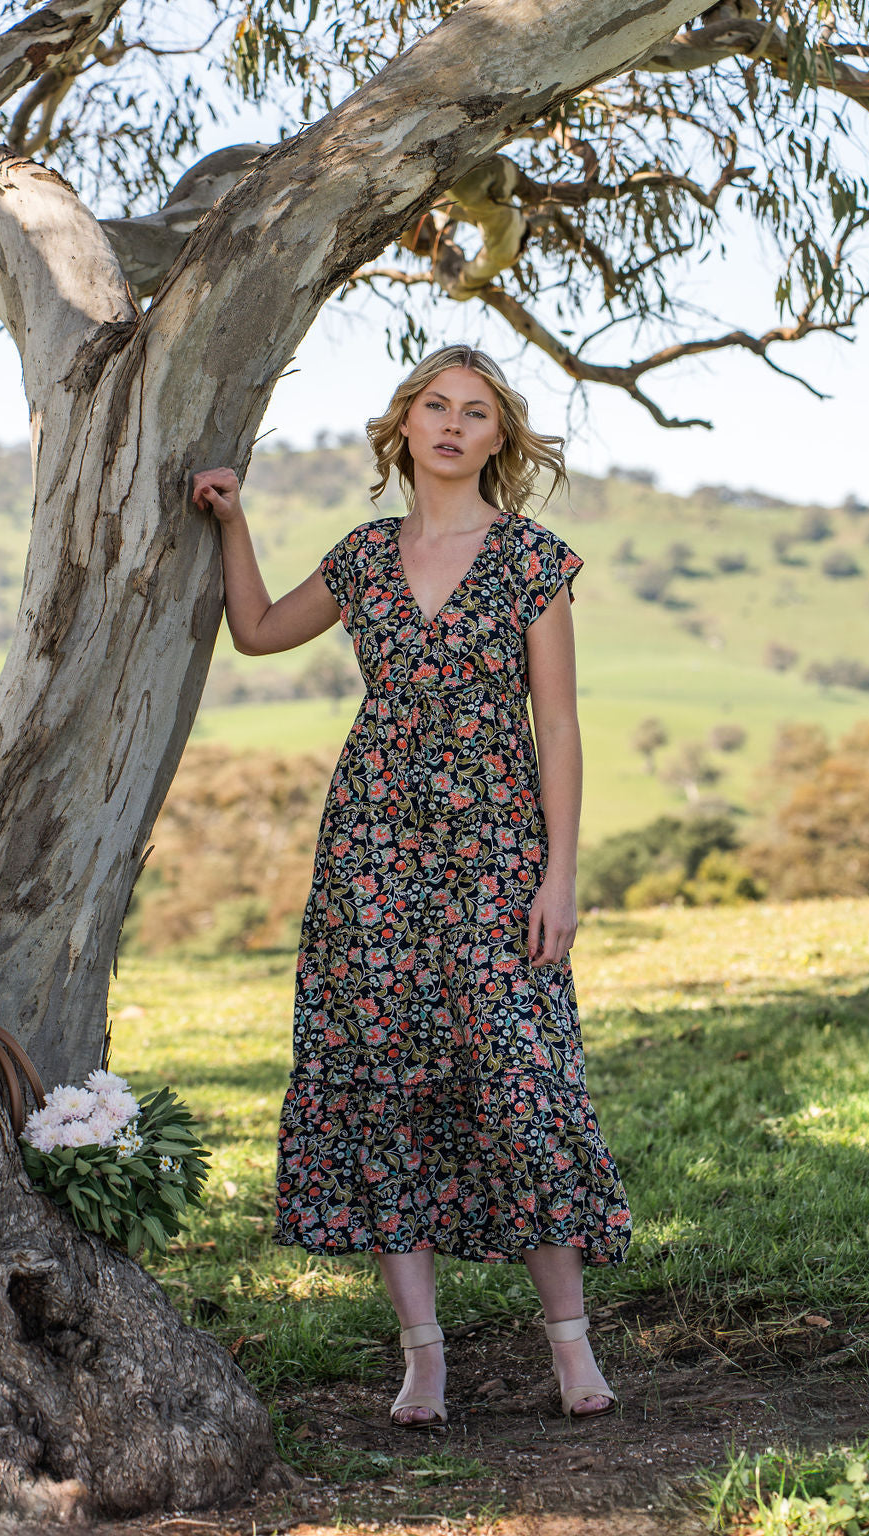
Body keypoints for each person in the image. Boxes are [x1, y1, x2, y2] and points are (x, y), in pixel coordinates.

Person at [192, 344, 631, 1431]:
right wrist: (233, 521)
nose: (450, 425)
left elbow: (560, 727)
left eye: (474, 413)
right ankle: (421, 1359)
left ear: (499, 440)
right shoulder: (360, 557)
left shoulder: (532, 559)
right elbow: (253, 634)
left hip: (497, 853)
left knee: (525, 1082)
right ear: (404, 427)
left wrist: (559, 875)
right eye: (433, 406)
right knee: (386, 1087)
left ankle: (571, 1350)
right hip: (373, 856)